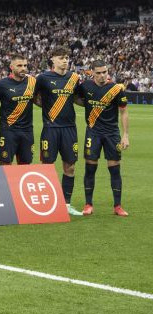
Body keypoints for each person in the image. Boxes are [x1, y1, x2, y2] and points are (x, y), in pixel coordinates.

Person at [35, 46, 85, 216]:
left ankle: (66, 204)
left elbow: (78, 98)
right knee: (47, 166)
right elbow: (33, 96)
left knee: (70, 167)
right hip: (50, 128)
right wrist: (43, 106)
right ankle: (48, 203)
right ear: (53, 60)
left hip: (69, 128)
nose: (65, 60)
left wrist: (92, 104)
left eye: (66, 57)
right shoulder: (42, 78)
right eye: (61, 57)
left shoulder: (74, 78)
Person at [80, 61, 130, 217]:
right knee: (90, 168)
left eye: (105, 72)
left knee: (115, 169)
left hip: (112, 134)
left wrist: (125, 135)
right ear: (92, 73)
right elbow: (77, 99)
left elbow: (123, 112)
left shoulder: (116, 89)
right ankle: (88, 204)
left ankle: (117, 206)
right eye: (99, 73)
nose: (102, 75)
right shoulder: (85, 86)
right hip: (93, 133)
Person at [0, 54, 37, 166]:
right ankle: (3, 184)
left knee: (25, 165)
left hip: (27, 130)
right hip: (8, 130)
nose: (23, 68)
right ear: (11, 67)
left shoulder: (32, 82)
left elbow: (39, 101)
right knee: (5, 164)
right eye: (19, 65)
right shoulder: (2, 84)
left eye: (25, 65)